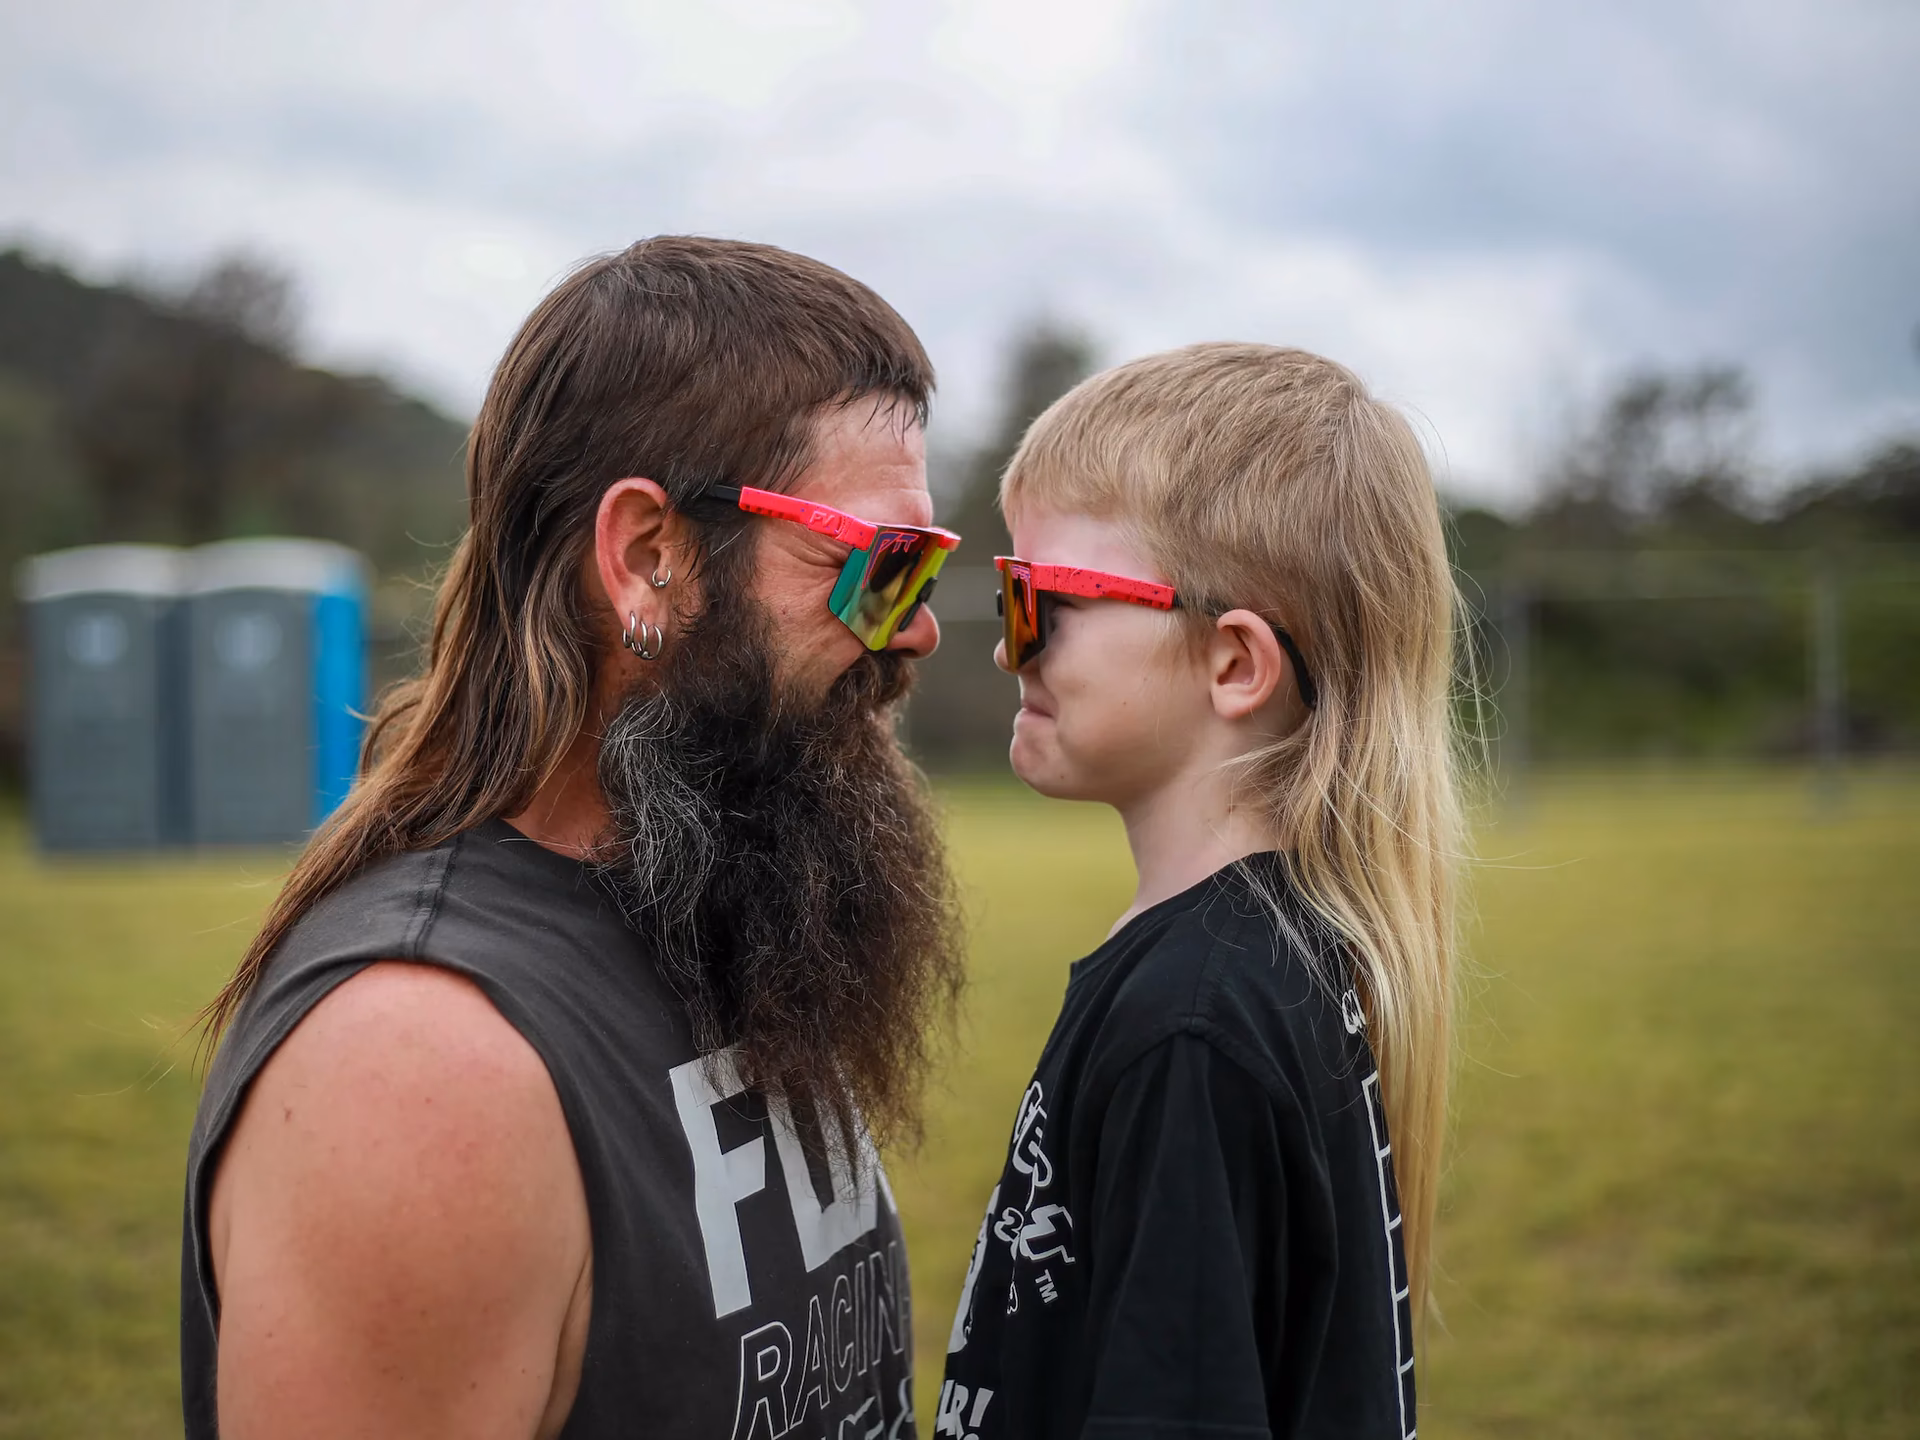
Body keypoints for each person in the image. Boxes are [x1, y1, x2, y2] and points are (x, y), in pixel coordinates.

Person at [182, 236, 968, 1440]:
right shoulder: (419, 1063)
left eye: (922, 571)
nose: (914, 634)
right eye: (876, 565)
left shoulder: (723, 900)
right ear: (648, 558)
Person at [939, 343, 1462, 1440]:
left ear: (1234, 664)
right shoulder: (1252, 963)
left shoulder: (1194, 1021)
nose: (1007, 652)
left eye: (1043, 604)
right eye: (1006, 597)